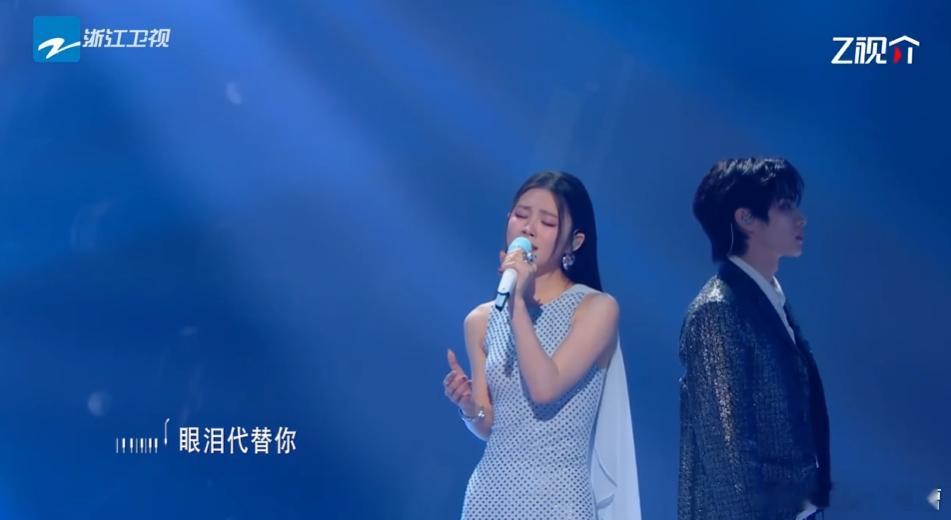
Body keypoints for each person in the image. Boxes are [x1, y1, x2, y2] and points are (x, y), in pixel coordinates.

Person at [443, 171, 640, 519]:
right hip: (488, 498)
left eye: (547, 222)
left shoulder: (596, 308)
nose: (529, 228)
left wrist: (518, 304)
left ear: (574, 242)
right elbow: (489, 426)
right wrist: (468, 406)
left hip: (559, 501)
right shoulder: (480, 320)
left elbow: (545, 388)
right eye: (521, 215)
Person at [678, 158, 831, 520]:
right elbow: (727, 455)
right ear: (745, 218)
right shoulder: (718, 310)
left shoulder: (770, 300)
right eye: (785, 206)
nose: (801, 219)